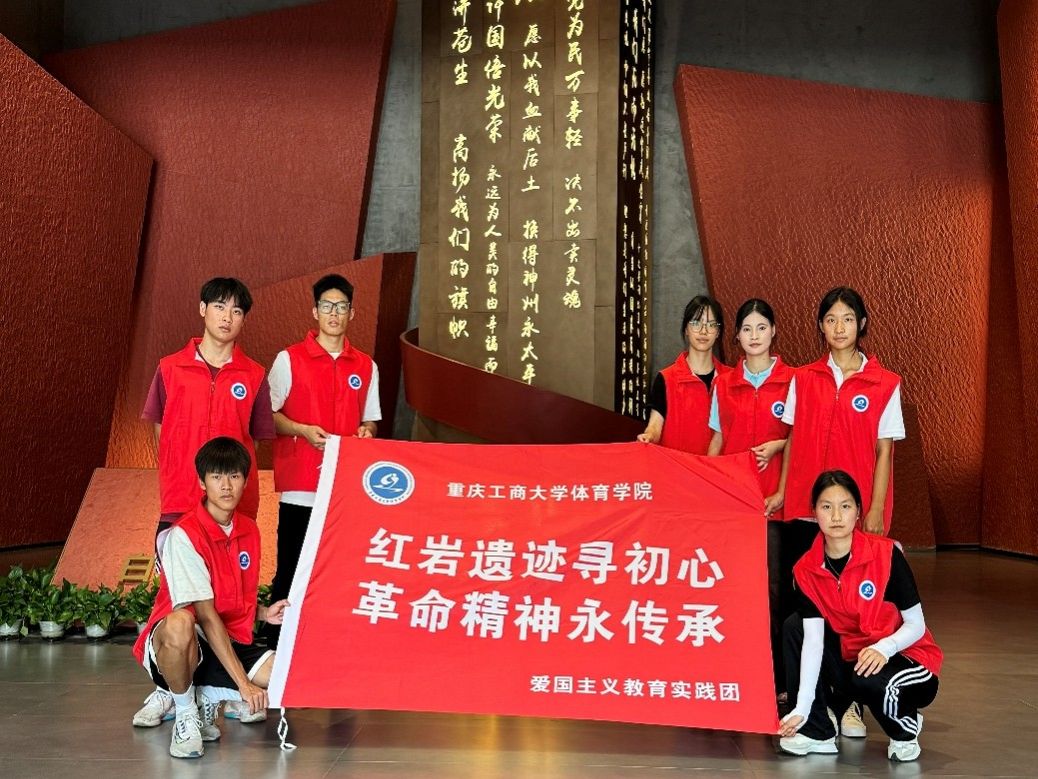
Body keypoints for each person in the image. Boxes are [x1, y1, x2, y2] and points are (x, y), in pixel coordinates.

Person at [133, 277, 275, 728]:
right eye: (219, 307)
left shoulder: (254, 375)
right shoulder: (169, 368)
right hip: (180, 505)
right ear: (202, 310)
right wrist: (180, 475)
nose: (227, 317)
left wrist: (228, 493)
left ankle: (220, 690)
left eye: (237, 311)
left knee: (229, 599)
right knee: (177, 604)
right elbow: (160, 432)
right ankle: (169, 691)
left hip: (234, 511)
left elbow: (255, 440)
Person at [774, 286, 905, 737]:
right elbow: (791, 439)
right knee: (805, 610)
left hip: (853, 518)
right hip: (806, 512)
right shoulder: (803, 378)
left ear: (861, 324)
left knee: (853, 612)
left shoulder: (884, 383)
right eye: (831, 319)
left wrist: (874, 510)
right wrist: (784, 493)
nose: (839, 327)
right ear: (821, 326)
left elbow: (884, 452)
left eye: (848, 318)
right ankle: (812, 703)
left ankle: (851, 704)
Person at [132, 437, 289, 759]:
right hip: (184, 639)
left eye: (234, 476)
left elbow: (229, 597)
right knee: (180, 622)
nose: (226, 485)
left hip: (228, 637)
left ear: (245, 481)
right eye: (217, 477)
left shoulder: (248, 529)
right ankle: (185, 710)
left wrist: (263, 613)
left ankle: (206, 695)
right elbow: (205, 615)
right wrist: (243, 684)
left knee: (288, 680)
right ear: (202, 482)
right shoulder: (184, 534)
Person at [779, 470, 941, 762]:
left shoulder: (886, 555)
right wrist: (801, 708)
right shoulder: (805, 569)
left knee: (871, 679)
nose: (836, 516)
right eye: (826, 506)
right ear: (814, 512)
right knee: (795, 626)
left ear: (858, 512)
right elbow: (813, 642)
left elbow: (916, 625)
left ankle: (905, 729)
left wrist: (884, 647)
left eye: (845, 506)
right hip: (853, 659)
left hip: (907, 658)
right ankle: (817, 731)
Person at [264, 273, 380, 649]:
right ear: (315, 311)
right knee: (292, 568)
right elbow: (268, 415)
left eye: (341, 306)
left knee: (340, 569)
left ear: (352, 313)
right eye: (327, 306)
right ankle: (278, 646)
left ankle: (331, 644)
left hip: (345, 488)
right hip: (301, 485)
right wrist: (300, 429)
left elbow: (371, 421)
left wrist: (366, 432)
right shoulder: (289, 359)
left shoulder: (366, 366)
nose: (334, 313)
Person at [706, 298, 793, 695]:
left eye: (761, 327)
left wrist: (779, 446)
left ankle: (776, 679)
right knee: (734, 589)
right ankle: (737, 671)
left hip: (775, 503)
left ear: (774, 331)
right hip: (734, 504)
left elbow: (802, 436)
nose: (754, 336)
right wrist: (705, 484)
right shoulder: (724, 384)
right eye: (746, 329)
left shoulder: (793, 381)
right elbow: (718, 439)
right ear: (736, 336)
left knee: (775, 591)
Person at [639, 295, 729, 453]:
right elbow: (655, 426)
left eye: (711, 324)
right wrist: (649, 436)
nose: (703, 331)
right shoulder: (666, 378)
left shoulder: (731, 378)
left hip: (718, 467)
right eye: (696, 323)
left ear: (718, 332)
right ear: (686, 329)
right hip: (677, 467)